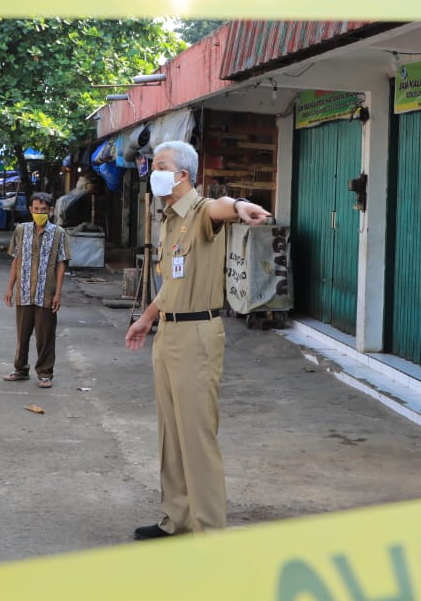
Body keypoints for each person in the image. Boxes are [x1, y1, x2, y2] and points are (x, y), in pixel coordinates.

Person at [124, 140, 270, 540]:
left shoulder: (203, 210)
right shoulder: (168, 219)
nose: (153, 171)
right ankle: (177, 519)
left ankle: (209, 532)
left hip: (198, 335)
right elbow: (172, 282)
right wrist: (146, 319)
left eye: (160, 165)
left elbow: (225, 207)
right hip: (168, 331)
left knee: (196, 436)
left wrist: (240, 205)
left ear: (183, 174)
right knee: (170, 433)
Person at [2, 192, 71, 389]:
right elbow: (15, 259)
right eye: (36, 209)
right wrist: (10, 287)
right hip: (23, 292)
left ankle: (45, 373)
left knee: (45, 335)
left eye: (43, 210)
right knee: (22, 334)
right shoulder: (21, 231)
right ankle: (20, 369)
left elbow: (61, 264)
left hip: (46, 294)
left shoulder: (58, 233)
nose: (39, 212)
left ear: (50, 211)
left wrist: (58, 293)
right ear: (31, 209)